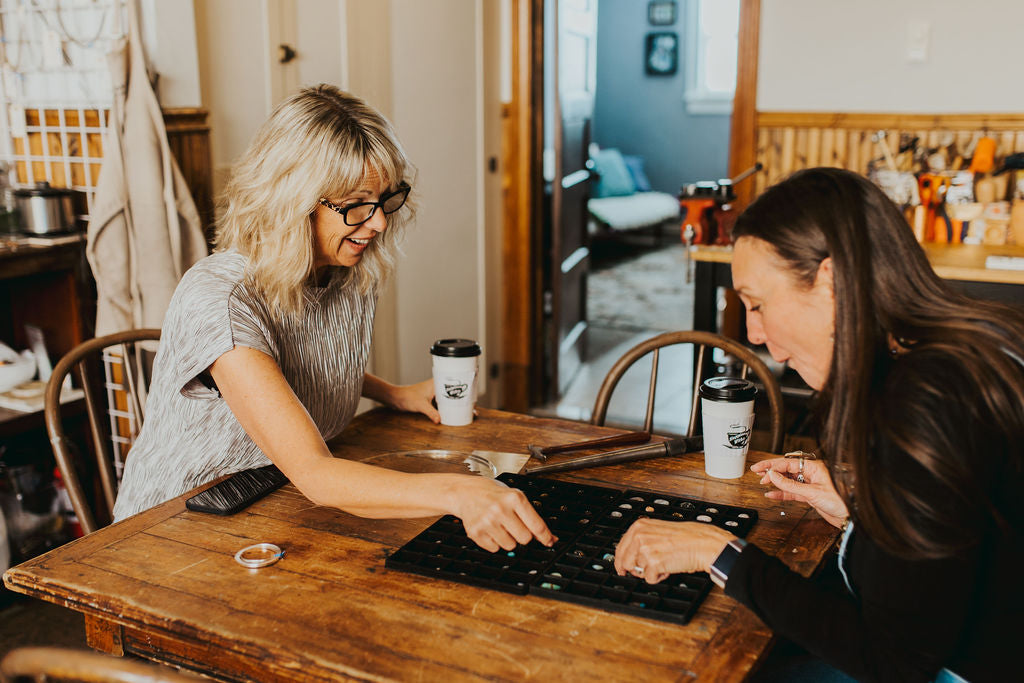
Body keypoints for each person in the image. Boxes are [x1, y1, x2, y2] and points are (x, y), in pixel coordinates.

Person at [613, 167, 1023, 682]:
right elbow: (963, 545)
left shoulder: (922, 405)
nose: (753, 333)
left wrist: (718, 552)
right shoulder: (972, 347)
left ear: (830, 281)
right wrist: (866, 505)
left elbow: (893, 662)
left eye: (757, 304)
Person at [112, 85, 554, 554]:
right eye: (357, 205)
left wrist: (390, 392)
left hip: (271, 500)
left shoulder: (339, 268)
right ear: (293, 201)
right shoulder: (220, 299)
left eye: (385, 199)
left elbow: (295, 359)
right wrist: (458, 492)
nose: (379, 222)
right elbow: (317, 476)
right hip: (173, 525)